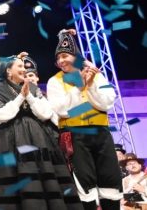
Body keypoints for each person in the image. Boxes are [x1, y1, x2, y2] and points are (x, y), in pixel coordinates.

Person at [0, 54, 81, 209]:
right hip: (10, 140)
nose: (23, 69)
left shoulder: (33, 88)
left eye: (24, 66)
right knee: (16, 179)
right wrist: (20, 97)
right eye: (19, 66)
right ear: (8, 71)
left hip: (38, 137)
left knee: (44, 176)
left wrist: (29, 96)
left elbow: (45, 113)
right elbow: (0, 116)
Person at [47, 29, 123, 210]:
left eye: (65, 56)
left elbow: (107, 103)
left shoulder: (97, 75)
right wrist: (80, 88)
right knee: (84, 180)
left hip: (101, 133)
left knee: (110, 178)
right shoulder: (54, 81)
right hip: (75, 136)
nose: (61, 61)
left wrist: (91, 85)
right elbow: (62, 110)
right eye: (58, 58)